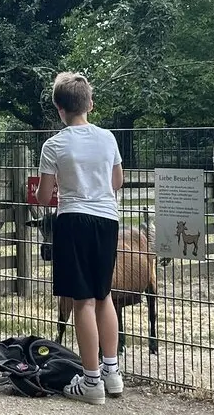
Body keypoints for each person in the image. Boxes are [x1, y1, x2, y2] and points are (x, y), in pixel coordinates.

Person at [34, 72, 125, 405]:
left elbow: (44, 197)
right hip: (107, 219)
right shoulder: (108, 138)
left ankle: (90, 381)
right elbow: (117, 181)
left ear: (59, 108)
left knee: (82, 299)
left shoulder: (54, 144)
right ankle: (112, 372)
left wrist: (61, 186)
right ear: (90, 103)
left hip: (73, 219)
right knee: (105, 295)